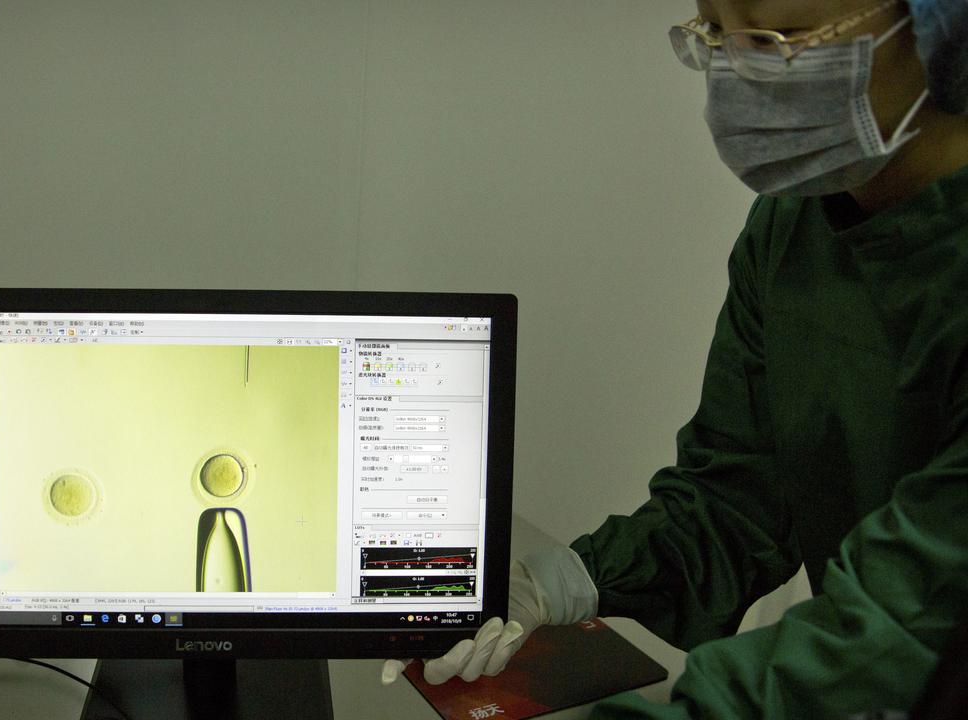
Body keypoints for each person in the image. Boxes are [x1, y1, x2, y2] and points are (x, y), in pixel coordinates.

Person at [382, 0, 968, 717]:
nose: (737, 77)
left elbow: (905, 628)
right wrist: (553, 582)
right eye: (715, 37)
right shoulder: (794, 228)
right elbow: (735, 500)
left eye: (781, 39)